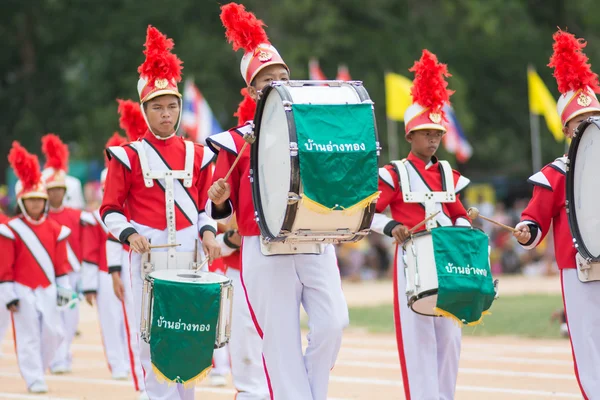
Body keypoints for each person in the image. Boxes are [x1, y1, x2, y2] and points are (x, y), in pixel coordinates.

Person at [207, 4, 349, 399]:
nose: (276, 82)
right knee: (280, 340)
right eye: (266, 79)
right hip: (264, 247)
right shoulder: (234, 141)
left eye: (281, 76)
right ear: (252, 90)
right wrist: (219, 202)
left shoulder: (314, 128)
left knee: (333, 323)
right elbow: (221, 210)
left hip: (313, 239)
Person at [100, 25, 220, 400]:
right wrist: (128, 234)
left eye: (172, 106)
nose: (166, 114)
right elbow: (109, 210)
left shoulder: (199, 154)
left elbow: (204, 208)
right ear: (145, 110)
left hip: (190, 257)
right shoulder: (128, 156)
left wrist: (210, 232)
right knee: (152, 338)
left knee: (189, 335)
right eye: (157, 107)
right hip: (149, 257)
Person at [370, 50, 471, 400]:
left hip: (448, 260)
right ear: (410, 135)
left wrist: (465, 224)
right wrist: (391, 227)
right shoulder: (394, 172)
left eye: (437, 134)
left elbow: (457, 212)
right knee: (418, 340)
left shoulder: (447, 173)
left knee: (450, 340)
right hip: (412, 260)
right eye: (425, 133)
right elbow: (370, 213)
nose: (432, 140)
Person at [513, 29, 600, 398]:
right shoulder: (556, 173)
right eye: (580, 120)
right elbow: (535, 221)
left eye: (594, 117)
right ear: (566, 129)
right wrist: (526, 231)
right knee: (589, 348)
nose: (589, 126)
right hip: (578, 270)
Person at [207, 90, 270, 398]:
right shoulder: (233, 159)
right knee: (243, 336)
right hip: (237, 267)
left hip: (274, 260)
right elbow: (221, 221)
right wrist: (231, 237)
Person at [0, 142, 72, 393]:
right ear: (22, 203)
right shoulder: (11, 229)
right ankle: (33, 376)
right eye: (30, 201)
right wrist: (8, 294)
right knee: (28, 334)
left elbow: (60, 264)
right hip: (21, 289)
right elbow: (5, 265)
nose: (35, 205)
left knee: (55, 332)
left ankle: (39, 369)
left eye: (39, 201)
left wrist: (65, 288)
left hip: (48, 288)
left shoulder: (56, 229)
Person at [81, 133, 140, 384]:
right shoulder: (95, 216)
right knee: (111, 319)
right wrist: (89, 284)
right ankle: (117, 363)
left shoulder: (131, 211)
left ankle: (130, 362)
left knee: (132, 319)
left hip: (127, 267)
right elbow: (91, 250)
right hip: (105, 274)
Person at [40, 133, 96, 374]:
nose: (56, 194)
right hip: (47, 273)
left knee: (70, 319)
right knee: (49, 318)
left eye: (59, 190)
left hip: (71, 272)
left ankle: (64, 354)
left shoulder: (75, 214)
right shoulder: (40, 218)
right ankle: (55, 358)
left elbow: (95, 223)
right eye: (51, 191)